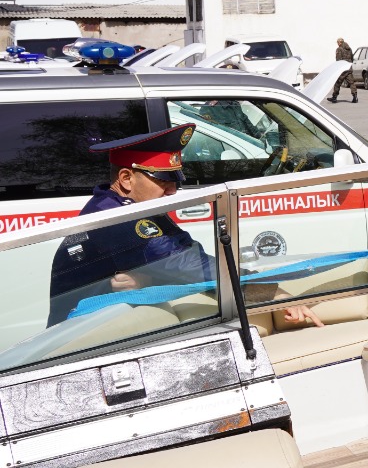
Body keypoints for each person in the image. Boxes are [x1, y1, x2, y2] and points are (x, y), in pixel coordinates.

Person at [47, 125, 324, 330]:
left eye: (175, 182)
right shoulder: (117, 217)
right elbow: (186, 266)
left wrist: (148, 277)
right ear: (126, 178)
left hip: (108, 324)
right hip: (79, 338)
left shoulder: (131, 206)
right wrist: (273, 292)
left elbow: (185, 252)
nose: (172, 191)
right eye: (163, 181)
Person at [329, 38, 357, 103]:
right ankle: (355, 97)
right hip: (349, 68)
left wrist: (337, 69)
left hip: (342, 69)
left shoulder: (339, 49)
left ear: (340, 42)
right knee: (351, 83)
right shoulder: (349, 49)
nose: (337, 44)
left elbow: (338, 60)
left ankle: (334, 97)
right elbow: (352, 58)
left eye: (337, 42)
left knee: (337, 83)